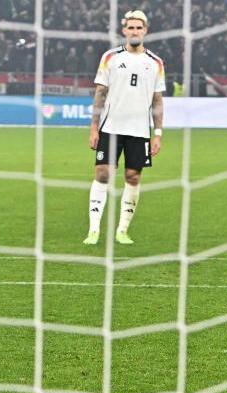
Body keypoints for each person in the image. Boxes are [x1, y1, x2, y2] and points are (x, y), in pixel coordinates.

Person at [83, 9, 165, 246]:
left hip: (140, 131)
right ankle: (94, 230)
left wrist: (157, 133)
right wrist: (94, 127)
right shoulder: (110, 57)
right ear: (124, 31)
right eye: (131, 27)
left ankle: (122, 230)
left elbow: (157, 100)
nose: (135, 31)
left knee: (133, 176)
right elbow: (100, 93)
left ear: (145, 31)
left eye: (139, 27)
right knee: (102, 173)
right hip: (111, 127)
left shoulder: (155, 63)